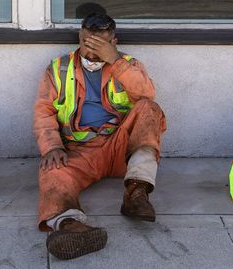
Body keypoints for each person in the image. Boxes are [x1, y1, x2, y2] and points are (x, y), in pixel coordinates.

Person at [34, 13, 167, 260]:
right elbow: (44, 112)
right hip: (80, 149)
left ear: (114, 41)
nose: (91, 51)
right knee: (51, 171)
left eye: (100, 45)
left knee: (150, 109)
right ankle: (70, 225)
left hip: (119, 146)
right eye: (87, 42)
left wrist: (114, 60)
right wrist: (51, 146)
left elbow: (146, 93)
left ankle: (137, 194)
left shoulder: (128, 63)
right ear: (79, 38)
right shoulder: (58, 68)